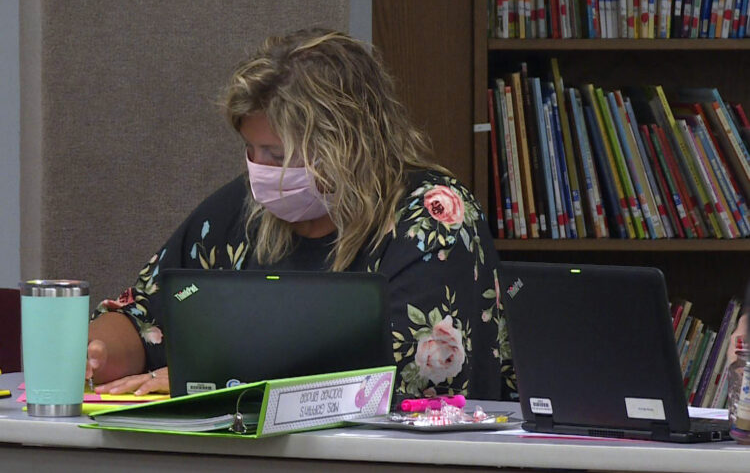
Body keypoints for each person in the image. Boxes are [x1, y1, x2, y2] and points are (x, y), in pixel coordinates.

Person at [85, 28, 515, 400]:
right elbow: (145, 314)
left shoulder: (432, 219)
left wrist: (218, 384)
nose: (259, 171)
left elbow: (405, 385)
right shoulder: (241, 211)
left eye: (276, 154)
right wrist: (99, 352)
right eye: (250, 151)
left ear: (346, 143)